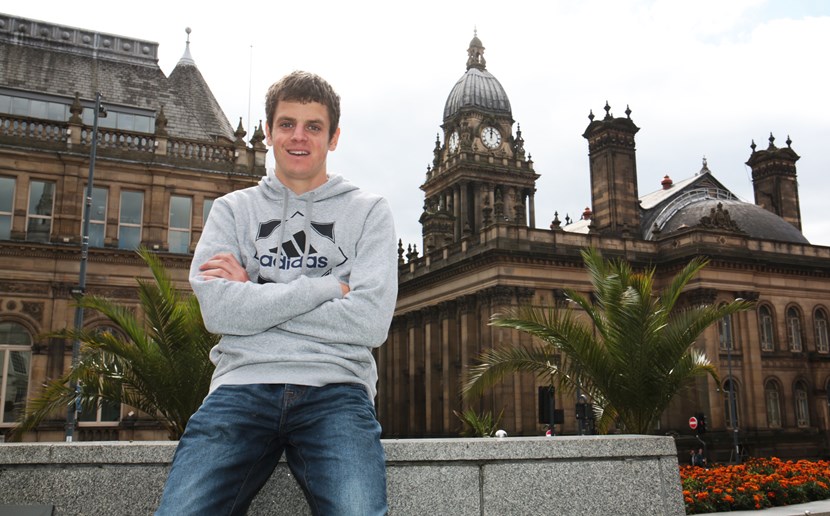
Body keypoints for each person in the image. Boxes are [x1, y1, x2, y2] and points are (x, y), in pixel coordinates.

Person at [156, 71, 398, 516]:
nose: (298, 137)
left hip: (336, 389)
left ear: (334, 137)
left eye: (313, 126)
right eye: (286, 124)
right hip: (240, 387)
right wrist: (329, 288)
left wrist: (254, 293)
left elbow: (369, 322)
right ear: (268, 133)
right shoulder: (233, 210)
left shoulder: (369, 212)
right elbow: (218, 311)